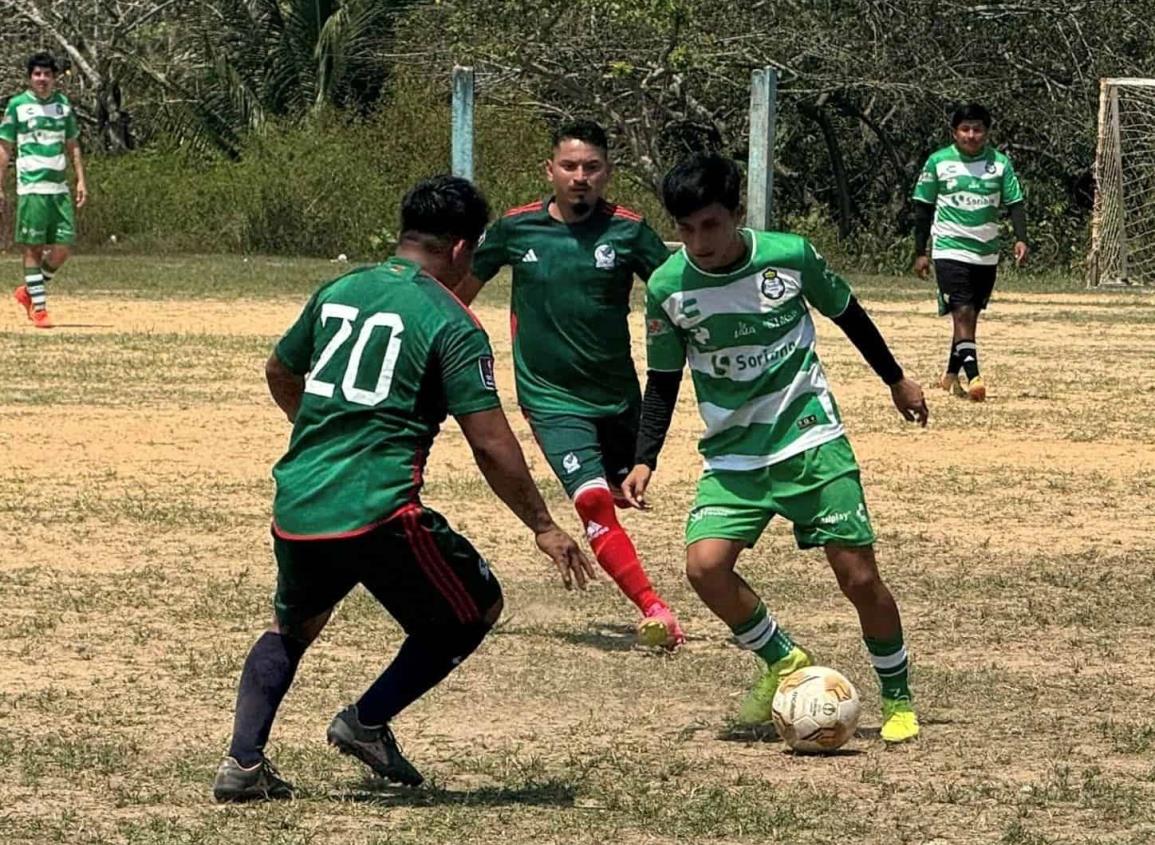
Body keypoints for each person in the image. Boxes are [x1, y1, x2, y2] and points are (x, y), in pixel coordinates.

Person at [212, 175, 596, 802]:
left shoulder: (341, 288)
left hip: (300, 504)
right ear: (465, 248)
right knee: (474, 611)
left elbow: (281, 369)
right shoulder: (451, 321)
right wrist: (543, 525)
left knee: (292, 628)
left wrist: (317, 429)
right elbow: (491, 443)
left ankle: (242, 764)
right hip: (380, 511)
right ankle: (365, 723)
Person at [622, 153, 927, 743]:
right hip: (734, 457)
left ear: (736, 214)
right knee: (704, 568)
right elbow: (662, 379)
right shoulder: (665, 286)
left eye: (710, 225)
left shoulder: (789, 256)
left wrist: (896, 379)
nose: (698, 241)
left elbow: (849, 314)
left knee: (859, 579)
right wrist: (645, 456)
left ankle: (898, 697)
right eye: (685, 229)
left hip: (811, 439)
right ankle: (785, 661)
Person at [454, 120, 684, 649]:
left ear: (607, 174)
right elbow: (456, 296)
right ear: (550, 171)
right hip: (551, 399)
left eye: (591, 168)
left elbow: (679, 292)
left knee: (623, 490)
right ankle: (654, 608)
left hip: (619, 398)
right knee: (593, 502)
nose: (580, 177)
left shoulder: (629, 231)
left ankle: (618, 485)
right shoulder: (516, 229)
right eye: (570, 166)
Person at [912, 102, 1027, 402]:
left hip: (986, 253)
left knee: (969, 315)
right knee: (962, 311)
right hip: (950, 249)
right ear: (955, 133)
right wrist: (920, 251)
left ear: (986, 133)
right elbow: (922, 208)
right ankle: (975, 377)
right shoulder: (938, 162)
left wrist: (1021, 238)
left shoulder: (1000, 164)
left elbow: (1015, 203)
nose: (971, 135)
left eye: (977, 129)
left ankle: (950, 376)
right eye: (965, 129)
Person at [0, 52, 88, 329]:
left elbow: (72, 144)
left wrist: (81, 180)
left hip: (58, 188)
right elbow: (5, 148)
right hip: (31, 187)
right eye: (37, 74)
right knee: (33, 248)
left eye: (47, 74)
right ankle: (39, 308)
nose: (42, 79)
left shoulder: (63, 106)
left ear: (54, 77)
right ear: (30, 77)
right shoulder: (17, 106)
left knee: (63, 247)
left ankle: (29, 291)